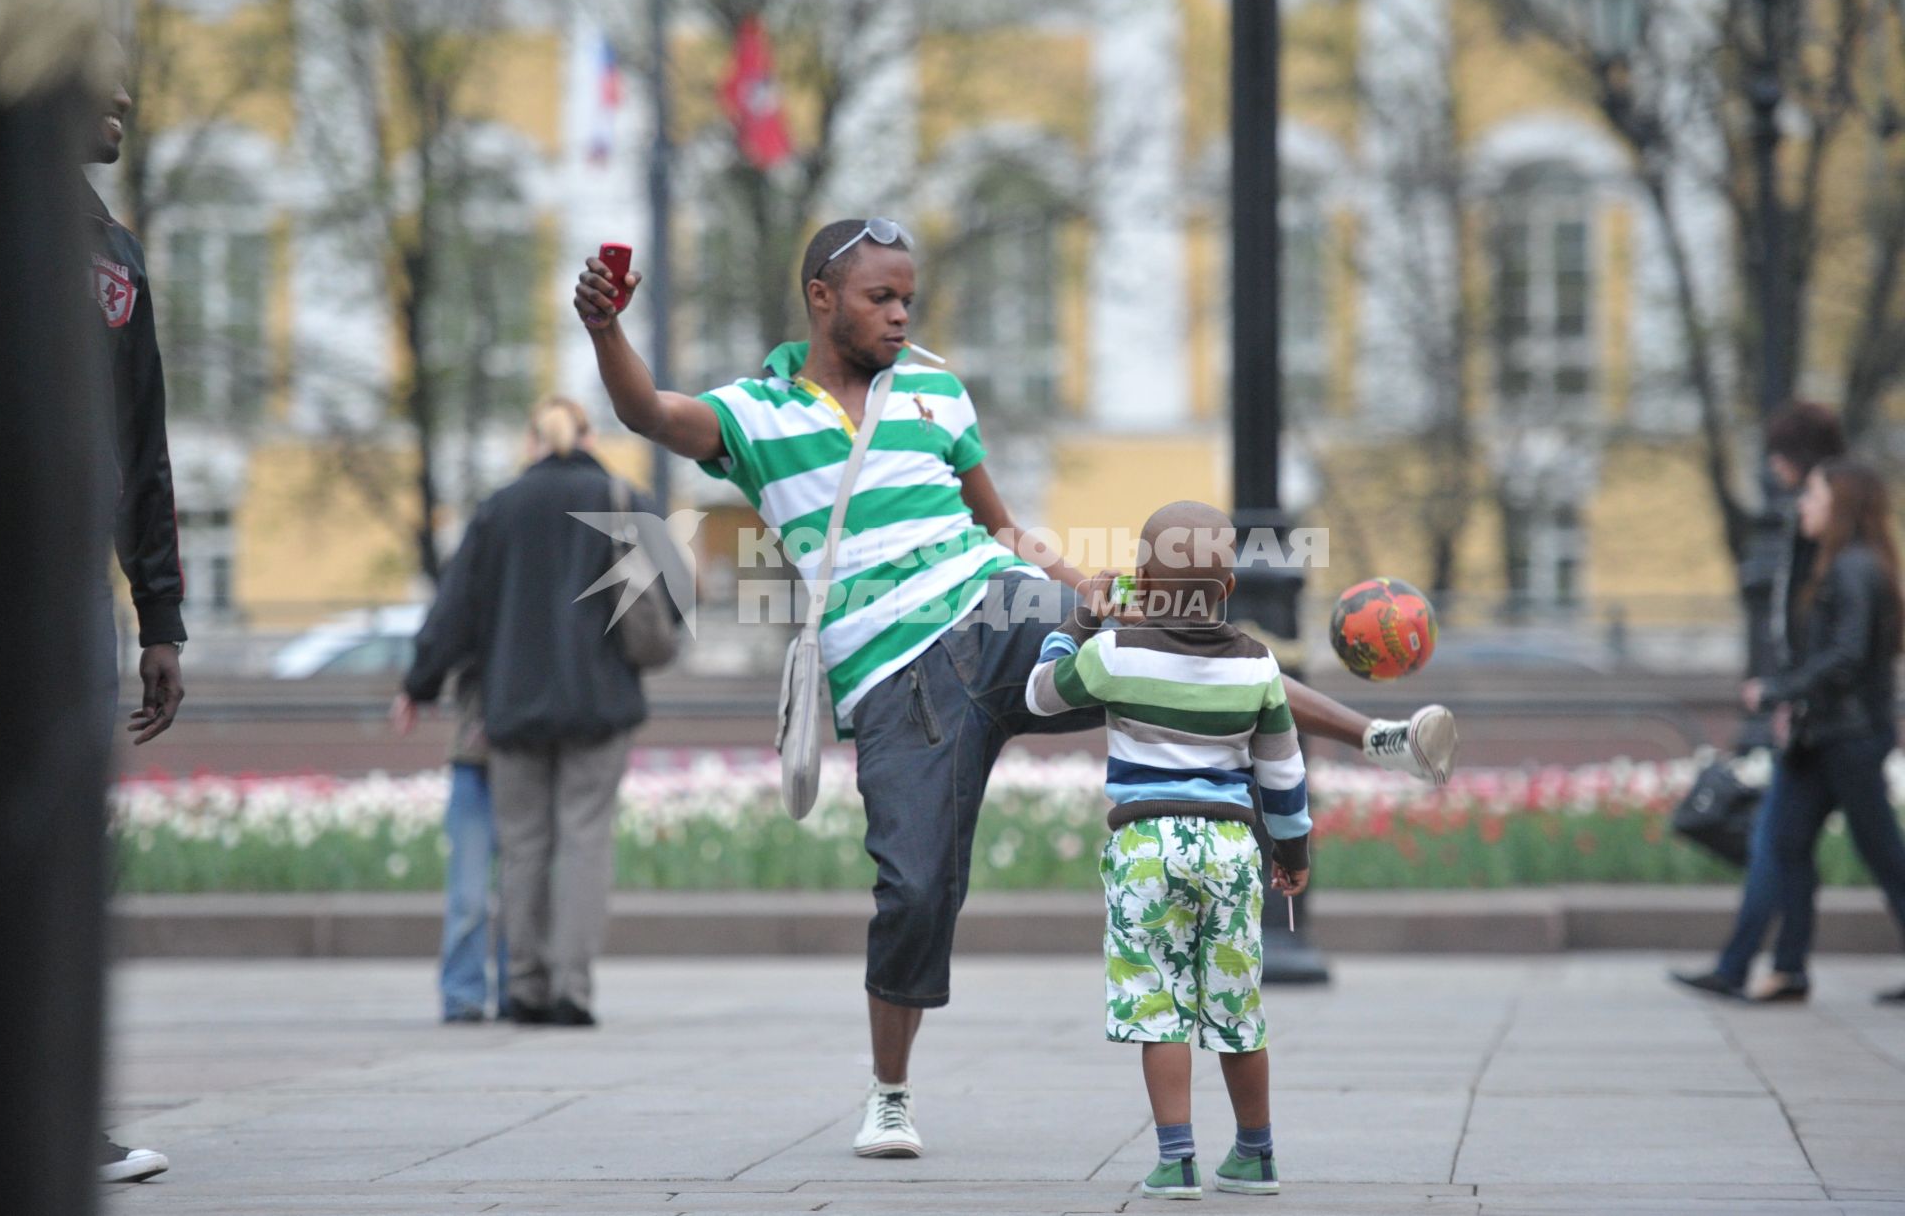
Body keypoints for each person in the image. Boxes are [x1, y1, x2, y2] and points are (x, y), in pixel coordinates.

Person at [573, 218, 1457, 1158]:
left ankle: (1380, 739)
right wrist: (604, 330)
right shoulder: (757, 412)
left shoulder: (935, 386)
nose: (901, 314)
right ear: (822, 299)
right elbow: (651, 416)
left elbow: (995, 522)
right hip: (897, 676)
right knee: (916, 889)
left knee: (1190, 647)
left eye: (909, 296)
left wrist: (1079, 586)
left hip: (1001, 610)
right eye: (881, 297)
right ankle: (890, 1092)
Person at [1025, 501, 1309, 1200]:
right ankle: (1255, 1153)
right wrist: (1293, 851)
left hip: (1146, 846)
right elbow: (1282, 771)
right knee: (1236, 1002)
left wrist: (1084, 616)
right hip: (1231, 845)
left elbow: (1038, 695)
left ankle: (1176, 1159)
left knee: (1159, 1000)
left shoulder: (1114, 653)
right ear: (1231, 589)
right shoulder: (1259, 665)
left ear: (1143, 581)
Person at [397, 398, 649, 1027]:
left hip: (512, 707)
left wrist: (419, 682)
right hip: (600, 702)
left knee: (524, 849)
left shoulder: (499, 509)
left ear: (532, 441)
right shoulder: (626, 501)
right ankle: (573, 989)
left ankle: (527, 987)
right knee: (585, 845)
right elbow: (667, 609)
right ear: (588, 437)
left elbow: (455, 610)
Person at [1674, 457, 1905, 1004]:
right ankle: (1775, 969)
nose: (1802, 505)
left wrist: (1781, 690)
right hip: (1820, 736)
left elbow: (1846, 657)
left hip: (1846, 739)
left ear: (1841, 507)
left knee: (1880, 854)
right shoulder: (1842, 562)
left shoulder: (1853, 568)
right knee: (1783, 845)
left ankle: (1760, 968)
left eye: (1815, 497)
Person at [86, 36, 184, 1185]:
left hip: (66, 600)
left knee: (63, 848)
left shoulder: (111, 253)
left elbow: (140, 444)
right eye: (94, 68)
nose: (119, 94)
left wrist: (160, 614)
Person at [424, 668, 509, 1024]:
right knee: (468, 895)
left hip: (528, 757)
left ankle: (515, 991)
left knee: (521, 891)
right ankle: (462, 993)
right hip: (474, 756)